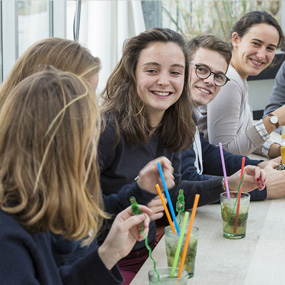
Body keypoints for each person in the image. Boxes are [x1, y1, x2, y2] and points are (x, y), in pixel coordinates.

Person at [98, 27, 266, 284]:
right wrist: (136, 196)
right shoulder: (106, 131)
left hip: (152, 251)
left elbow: (175, 190)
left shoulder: (173, 125)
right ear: (132, 73)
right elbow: (76, 216)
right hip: (109, 263)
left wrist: (229, 184)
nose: (164, 81)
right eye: (152, 70)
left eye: (175, 72)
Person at [0, 68, 153, 284]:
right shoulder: (8, 237)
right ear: (66, 147)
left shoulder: (31, 203)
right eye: (90, 138)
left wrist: (108, 253)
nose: (93, 151)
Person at [181, 34, 285, 200]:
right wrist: (263, 189)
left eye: (218, 76)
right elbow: (186, 183)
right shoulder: (170, 115)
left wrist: (259, 165)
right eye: (201, 69)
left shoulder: (187, 113)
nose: (209, 81)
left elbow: (208, 154)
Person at [206, 11, 285, 158]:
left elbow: (245, 137)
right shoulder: (228, 80)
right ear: (235, 39)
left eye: (270, 48)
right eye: (256, 43)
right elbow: (223, 156)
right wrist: (274, 119)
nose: (261, 55)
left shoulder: (239, 77)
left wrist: (277, 150)